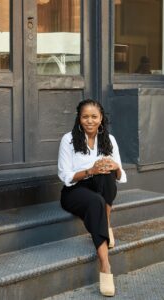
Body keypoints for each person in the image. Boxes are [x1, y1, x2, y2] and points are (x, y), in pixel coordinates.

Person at [58, 99, 127, 297]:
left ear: (101, 118)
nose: (89, 121)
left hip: (99, 187)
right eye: (85, 117)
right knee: (96, 198)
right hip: (74, 191)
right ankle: (105, 264)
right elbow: (65, 176)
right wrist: (90, 170)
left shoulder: (109, 140)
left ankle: (104, 223)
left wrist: (116, 168)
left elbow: (121, 177)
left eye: (94, 117)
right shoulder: (68, 140)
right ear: (79, 119)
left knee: (107, 175)